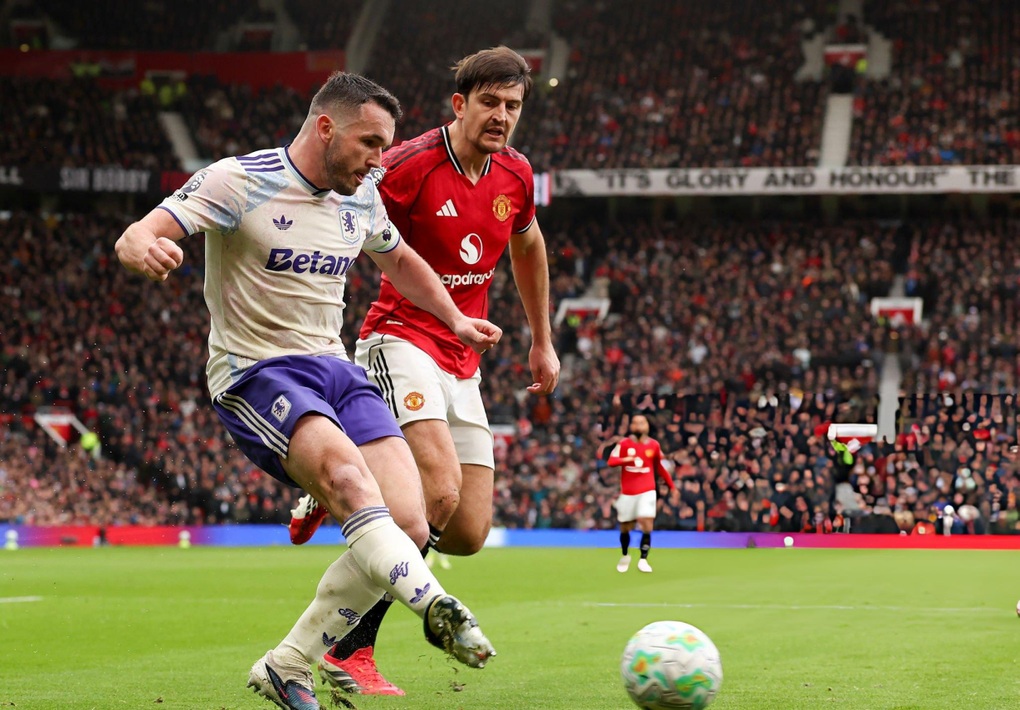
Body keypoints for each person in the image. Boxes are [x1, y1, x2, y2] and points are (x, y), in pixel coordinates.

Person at [115, 71, 500, 710]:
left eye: (387, 145)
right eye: (370, 143)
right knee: (350, 483)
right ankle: (436, 605)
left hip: (336, 370)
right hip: (257, 372)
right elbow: (139, 232)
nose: (380, 160)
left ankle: (288, 663)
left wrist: (455, 317)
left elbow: (399, 259)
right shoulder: (239, 180)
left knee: (409, 521)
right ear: (326, 127)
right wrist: (142, 249)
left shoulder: (362, 195)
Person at [288, 46, 560, 695]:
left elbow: (528, 244)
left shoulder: (514, 176)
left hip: (463, 359)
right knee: (433, 495)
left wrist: (542, 342)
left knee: (466, 530)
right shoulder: (407, 163)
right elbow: (343, 212)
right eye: (488, 102)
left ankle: (344, 478)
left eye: (513, 106)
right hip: (399, 337)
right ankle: (348, 647)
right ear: (460, 104)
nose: (501, 116)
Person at [607, 414, 676, 573]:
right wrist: (628, 459)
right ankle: (625, 555)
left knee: (646, 523)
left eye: (641, 423)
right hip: (628, 492)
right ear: (631, 426)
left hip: (647, 491)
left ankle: (643, 559)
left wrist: (672, 486)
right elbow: (611, 461)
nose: (638, 426)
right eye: (635, 423)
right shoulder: (623, 444)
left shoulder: (654, 445)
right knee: (626, 527)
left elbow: (659, 468)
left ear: (647, 426)